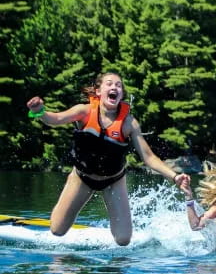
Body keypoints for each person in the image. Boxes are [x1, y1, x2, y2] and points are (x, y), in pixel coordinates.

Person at [26, 72, 189, 246]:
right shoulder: (84, 111)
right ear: (98, 91)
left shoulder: (129, 123)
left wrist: (174, 176)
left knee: (123, 240)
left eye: (118, 85)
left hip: (114, 181)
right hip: (82, 178)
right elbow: (56, 119)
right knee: (57, 231)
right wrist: (39, 112)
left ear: (121, 94)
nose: (114, 88)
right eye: (109, 84)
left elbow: (148, 157)